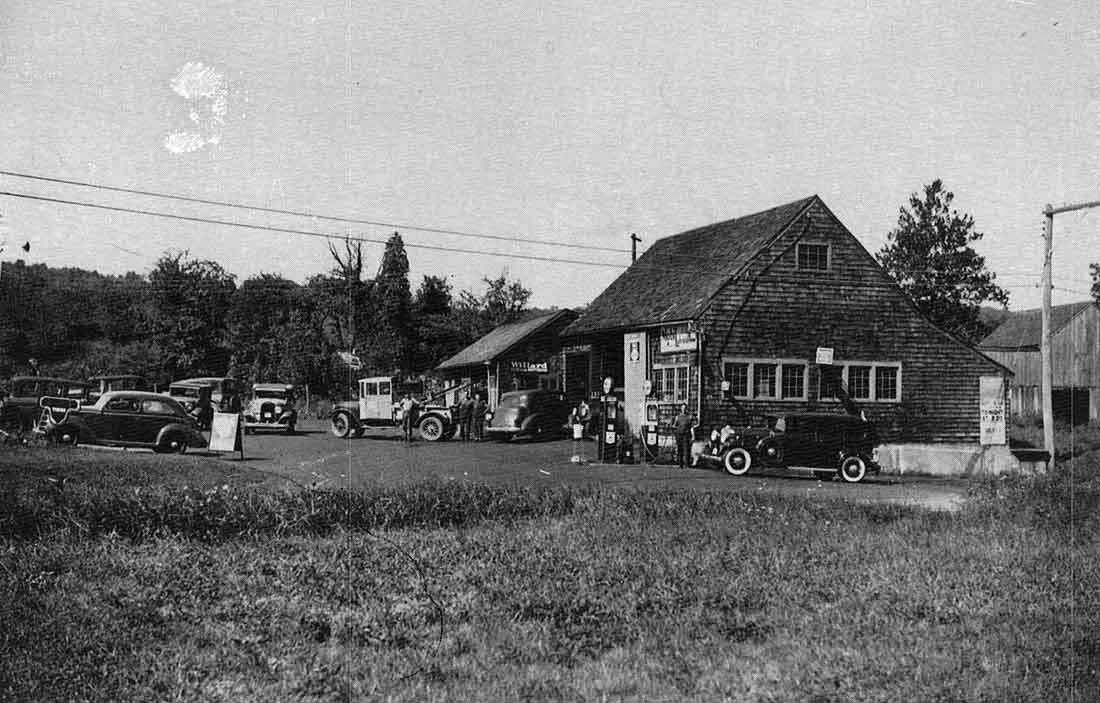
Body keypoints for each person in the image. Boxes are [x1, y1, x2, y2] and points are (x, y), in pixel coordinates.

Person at [672, 403, 696, 469]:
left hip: (686, 435)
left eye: (685, 408)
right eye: (682, 408)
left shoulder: (689, 417)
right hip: (679, 434)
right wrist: (673, 427)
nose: (683, 409)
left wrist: (693, 436)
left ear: (686, 409)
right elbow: (674, 425)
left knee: (686, 449)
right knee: (680, 450)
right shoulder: (677, 417)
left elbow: (691, 427)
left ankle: (687, 464)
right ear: (681, 409)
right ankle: (680, 464)